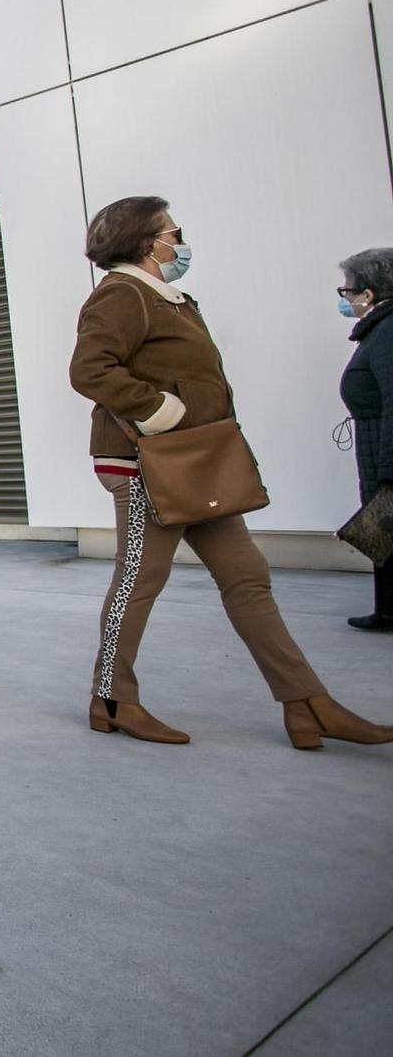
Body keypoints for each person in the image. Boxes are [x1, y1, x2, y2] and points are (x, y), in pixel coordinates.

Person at [68, 197, 391, 748]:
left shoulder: (164, 298)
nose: (181, 240)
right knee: (139, 579)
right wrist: (159, 411)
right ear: (149, 243)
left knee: (247, 577)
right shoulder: (123, 294)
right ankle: (112, 698)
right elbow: (90, 369)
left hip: (196, 459)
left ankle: (306, 703)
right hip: (147, 461)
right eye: (174, 231)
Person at [338, 246, 393, 631]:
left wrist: (390, 467)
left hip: (381, 447)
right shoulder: (380, 329)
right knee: (383, 532)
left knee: (385, 527)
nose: (346, 299)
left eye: (347, 291)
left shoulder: (387, 330)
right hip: (373, 444)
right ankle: (387, 608)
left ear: (367, 294)